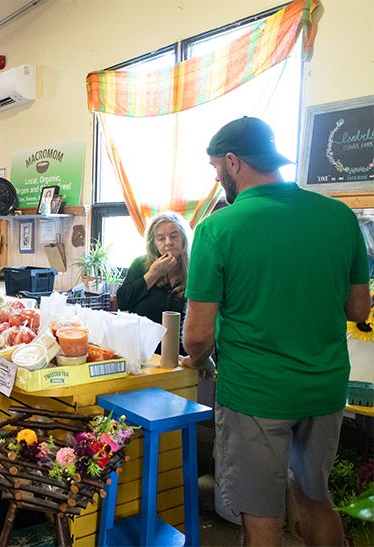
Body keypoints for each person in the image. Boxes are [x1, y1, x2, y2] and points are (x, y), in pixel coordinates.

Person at [182, 117, 370, 546]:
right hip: (323, 391)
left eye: (216, 167)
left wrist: (199, 359)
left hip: (256, 396)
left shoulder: (218, 228)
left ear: (234, 161)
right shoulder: (339, 216)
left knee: (262, 518)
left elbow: (197, 335)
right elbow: (360, 308)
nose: (216, 177)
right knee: (314, 499)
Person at [117, 211, 191, 351]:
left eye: (174, 236)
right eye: (161, 239)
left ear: (183, 239)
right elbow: (122, 301)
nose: (168, 242)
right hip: (144, 351)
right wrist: (153, 274)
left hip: (183, 353)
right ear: (154, 244)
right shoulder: (141, 264)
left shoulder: (194, 268)